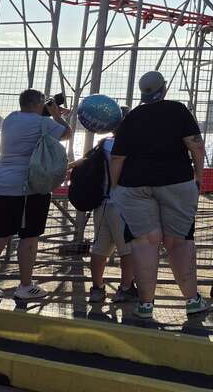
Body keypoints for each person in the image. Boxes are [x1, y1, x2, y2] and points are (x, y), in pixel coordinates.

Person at [109, 70, 208, 321]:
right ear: (163, 88)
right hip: (177, 182)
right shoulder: (177, 110)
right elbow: (195, 145)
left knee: (145, 242)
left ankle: (145, 304)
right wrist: (198, 175)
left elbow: (117, 157)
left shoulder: (131, 118)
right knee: (179, 241)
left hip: (135, 185)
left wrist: (115, 186)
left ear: (142, 93)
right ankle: (192, 300)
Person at [0, 89, 70, 302]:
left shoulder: (11, 119)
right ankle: (25, 285)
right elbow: (67, 132)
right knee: (29, 237)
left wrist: (49, 113)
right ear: (39, 104)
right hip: (26, 187)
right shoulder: (44, 123)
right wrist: (56, 115)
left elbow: (32, 125)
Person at [89, 107, 136, 303]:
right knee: (128, 250)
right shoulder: (130, 146)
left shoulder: (102, 144)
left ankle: (97, 288)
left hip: (102, 203)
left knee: (100, 248)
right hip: (123, 205)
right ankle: (125, 287)